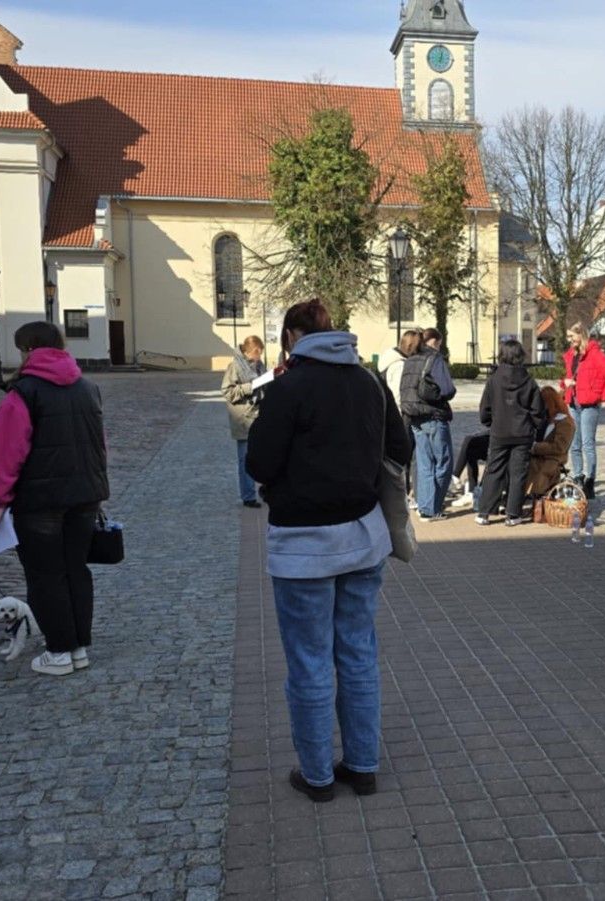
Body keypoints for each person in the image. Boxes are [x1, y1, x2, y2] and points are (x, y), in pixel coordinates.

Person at [246, 300, 411, 802]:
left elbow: (259, 464)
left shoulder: (287, 387)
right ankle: (362, 767)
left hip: (303, 547)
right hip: (363, 537)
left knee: (310, 661)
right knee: (358, 654)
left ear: (292, 337)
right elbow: (400, 449)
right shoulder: (369, 382)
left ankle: (317, 776)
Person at [0, 321, 111, 676]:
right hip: (84, 495)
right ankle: (78, 647)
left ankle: (58, 651)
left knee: (45, 576)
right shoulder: (87, 388)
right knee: (75, 570)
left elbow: (7, 451)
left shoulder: (23, 393)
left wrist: (0, 498)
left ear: (28, 350)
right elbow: (99, 445)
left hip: (40, 499)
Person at [474, 339, 547, 526]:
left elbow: (485, 408)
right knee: (518, 474)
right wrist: (536, 426)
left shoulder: (494, 380)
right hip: (522, 433)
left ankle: (484, 512)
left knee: (494, 471)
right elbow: (538, 410)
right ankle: (513, 514)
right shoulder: (529, 382)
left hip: (499, 431)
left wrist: (490, 422)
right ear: (520, 356)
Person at [398, 327, 456, 520]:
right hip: (433, 414)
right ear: (434, 342)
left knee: (424, 464)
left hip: (414, 416)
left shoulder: (410, 360)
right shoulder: (434, 359)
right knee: (443, 462)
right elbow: (448, 389)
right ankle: (432, 508)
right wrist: (440, 396)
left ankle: (424, 507)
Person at [561, 324, 605, 498]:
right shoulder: (571, 355)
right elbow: (568, 377)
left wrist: (601, 396)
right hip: (573, 403)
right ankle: (578, 476)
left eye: (572, 336)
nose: (569, 340)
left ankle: (590, 481)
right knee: (574, 444)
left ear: (581, 335)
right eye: (568, 337)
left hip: (589, 405)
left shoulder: (595, 354)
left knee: (588, 444)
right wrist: (565, 383)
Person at [222, 335, 269, 508]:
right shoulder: (235, 366)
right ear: (249, 351)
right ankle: (248, 496)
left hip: (258, 416)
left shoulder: (259, 365)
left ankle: (265, 489)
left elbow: (264, 384)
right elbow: (227, 392)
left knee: (263, 455)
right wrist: (251, 386)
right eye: (258, 353)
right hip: (243, 419)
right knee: (245, 459)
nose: (259, 357)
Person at [525, 386, 575, 499]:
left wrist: (535, 447)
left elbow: (559, 447)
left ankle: (535, 494)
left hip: (552, 458)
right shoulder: (543, 419)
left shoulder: (565, 422)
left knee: (538, 469)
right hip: (537, 455)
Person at [378, 329, 418, 401]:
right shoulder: (399, 367)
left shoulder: (391, 361)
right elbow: (398, 396)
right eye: (418, 346)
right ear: (409, 346)